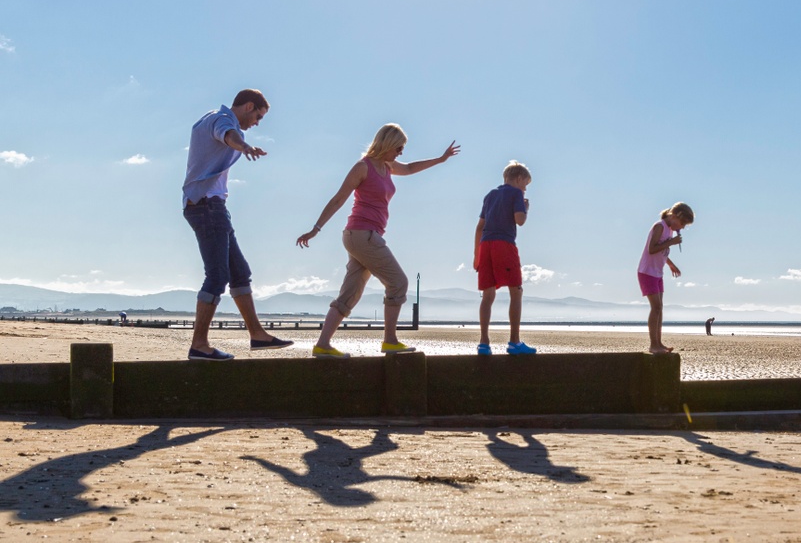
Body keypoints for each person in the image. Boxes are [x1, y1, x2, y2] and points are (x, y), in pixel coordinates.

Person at [296, 124, 459, 358]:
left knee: (349, 294)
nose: (401, 152)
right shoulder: (363, 167)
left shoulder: (388, 166)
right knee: (398, 282)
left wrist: (441, 159)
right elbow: (338, 199)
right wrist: (316, 229)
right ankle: (390, 341)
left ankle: (322, 345)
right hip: (363, 235)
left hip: (364, 237)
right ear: (388, 144)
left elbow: (411, 168)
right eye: (399, 147)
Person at [182, 89, 293, 361]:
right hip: (207, 205)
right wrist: (244, 147)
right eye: (258, 116)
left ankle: (257, 335)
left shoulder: (210, 117)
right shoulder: (223, 120)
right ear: (248, 106)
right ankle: (199, 344)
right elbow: (227, 135)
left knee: (240, 273)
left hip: (212, 206)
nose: (257, 122)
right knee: (217, 276)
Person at [475, 161, 536, 355]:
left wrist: (476, 254)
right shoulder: (516, 194)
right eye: (525, 185)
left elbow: (479, 227)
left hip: (485, 245)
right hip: (504, 244)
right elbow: (520, 220)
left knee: (488, 295)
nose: (525, 190)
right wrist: (525, 208)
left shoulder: (490, 195)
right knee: (516, 291)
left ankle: (484, 343)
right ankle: (514, 341)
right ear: (518, 179)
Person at [638, 202, 694, 354]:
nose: (681, 228)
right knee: (655, 307)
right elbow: (652, 249)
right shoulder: (660, 226)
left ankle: (659, 343)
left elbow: (662, 252)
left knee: (660, 308)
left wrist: (671, 264)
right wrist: (671, 242)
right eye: (682, 223)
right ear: (675, 216)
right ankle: (653, 345)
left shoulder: (669, 230)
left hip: (657, 272)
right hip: (647, 272)